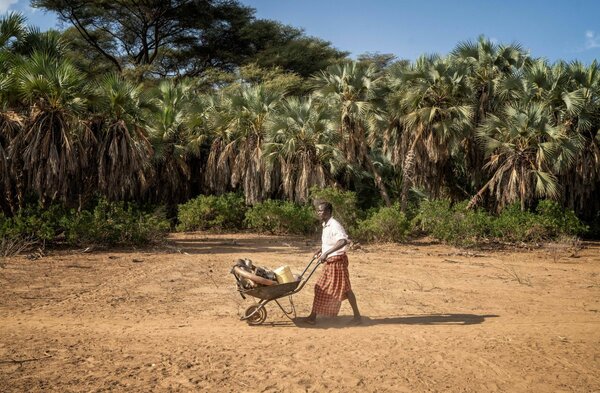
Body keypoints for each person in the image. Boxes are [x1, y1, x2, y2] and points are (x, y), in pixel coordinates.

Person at [302, 201, 361, 325]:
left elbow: (343, 241)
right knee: (324, 288)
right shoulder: (326, 224)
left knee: (344, 289)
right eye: (318, 210)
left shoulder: (334, 225)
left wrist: (326, 253)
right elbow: (331, 242)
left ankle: (357, 317)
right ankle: (313, 316)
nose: (318, 212)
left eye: (321, 210)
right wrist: (320, 250)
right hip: (330, 262)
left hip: (337, 262)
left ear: (328, 212)